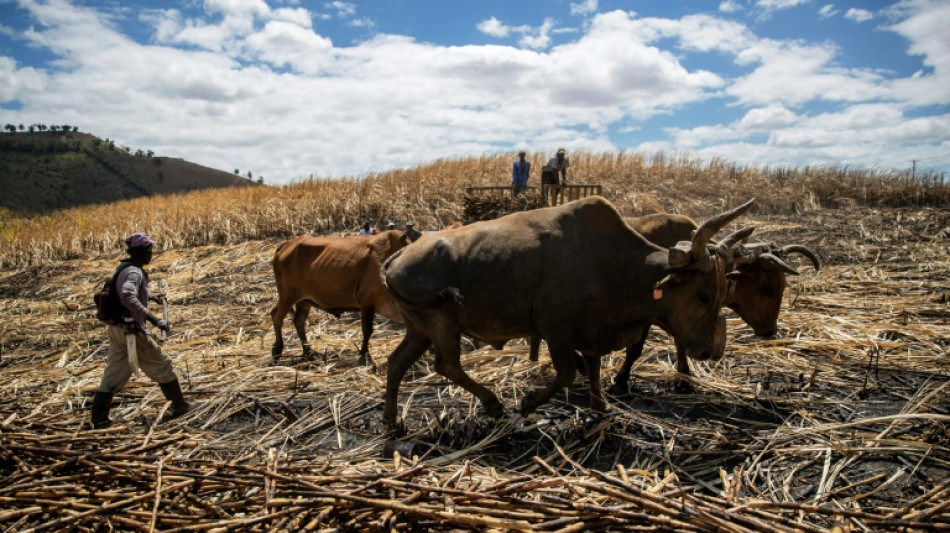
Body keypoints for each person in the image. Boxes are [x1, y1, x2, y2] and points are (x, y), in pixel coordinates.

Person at [89, 232, 191, 429]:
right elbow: (127, 296)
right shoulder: (135, 272)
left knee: (113, 374)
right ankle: (180, 406)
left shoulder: (124, 268)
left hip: (117, 330)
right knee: (163, 366)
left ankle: (98, 419)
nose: (151, 255)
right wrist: (153, 319)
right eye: (150, 251)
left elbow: (123, 293)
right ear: (144, 254)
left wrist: (149, 295)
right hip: (132, 332)